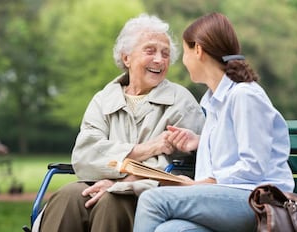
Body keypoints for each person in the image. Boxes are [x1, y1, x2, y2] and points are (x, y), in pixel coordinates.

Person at [38, 14, 204, 232]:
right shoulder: (103, 100)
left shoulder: (181, 102)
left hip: (149, 192)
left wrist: (122, 183)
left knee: (111, 201)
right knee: (66, 197)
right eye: (150, 50)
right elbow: (84, 155)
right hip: (97, 183)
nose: (159, 60)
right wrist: (145, 149)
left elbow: (187, 168)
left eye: (165, 54)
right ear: (126, 58)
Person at [133, 12, 295, 232]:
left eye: (185, 52)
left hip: (258, 200)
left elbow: (254, 166)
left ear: (198, 50)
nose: (183, 61)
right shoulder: (213, 101)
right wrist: (200, 141)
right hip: (231, 199)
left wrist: (204, 183)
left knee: (152, 200)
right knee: (170, 230)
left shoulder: (244, 95)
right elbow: (238, 144)